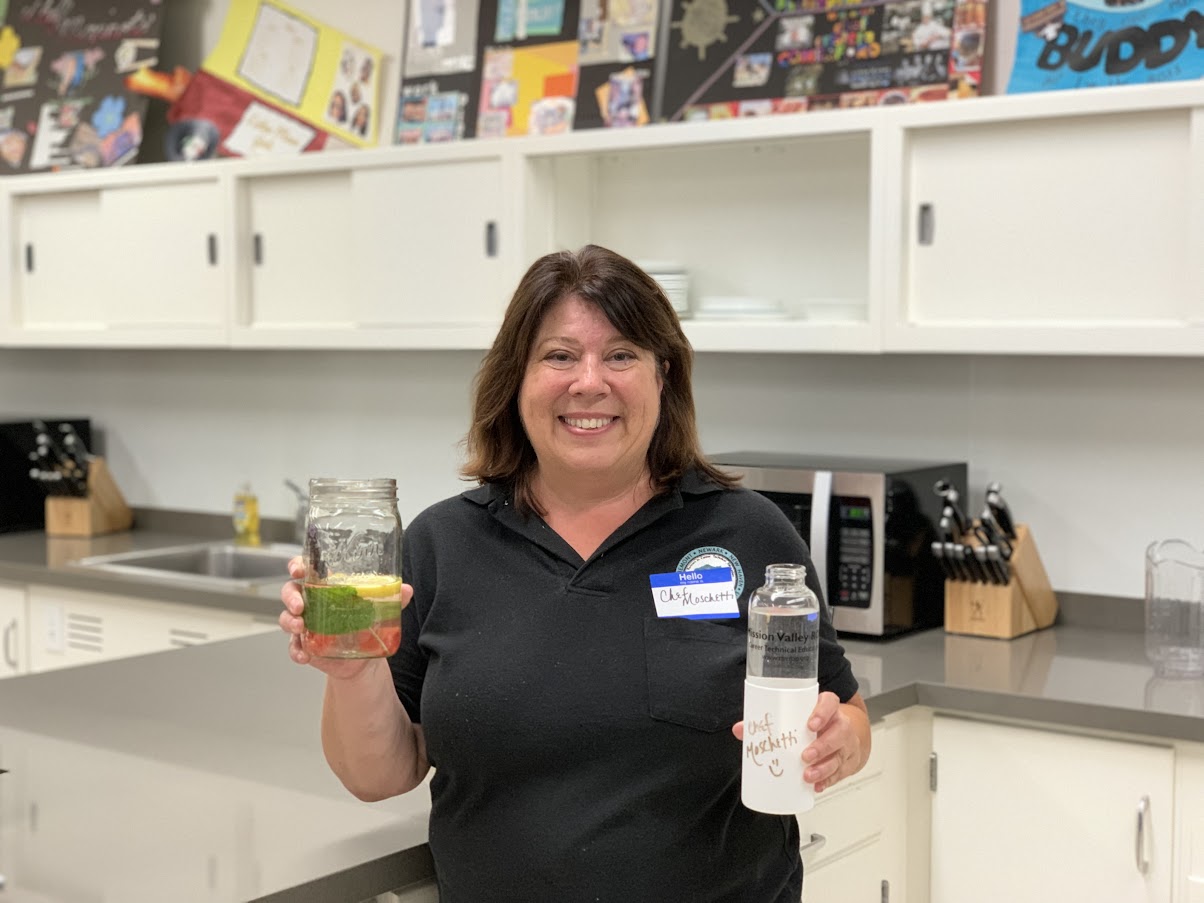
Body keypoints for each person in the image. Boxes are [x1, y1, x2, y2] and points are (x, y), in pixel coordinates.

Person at [279, 244, 871, 902]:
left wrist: (842, 739)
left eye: (621, 355)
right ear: (518, 379)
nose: (590, 382)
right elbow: (380, 774)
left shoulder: (746, 532)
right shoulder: (442, 543)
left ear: (662, 375)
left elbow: (846, 711)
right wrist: (351, 668)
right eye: (559, 355)